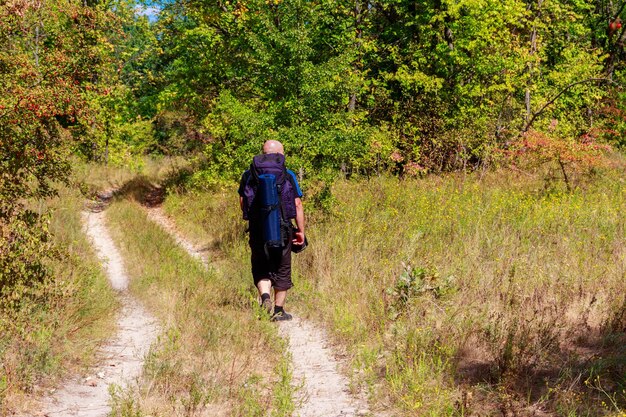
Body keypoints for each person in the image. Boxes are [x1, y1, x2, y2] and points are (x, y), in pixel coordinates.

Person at [238, 140, 305, 321]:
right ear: (280, 155)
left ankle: (265, 296)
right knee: (282, 267)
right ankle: (278, 311)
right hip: (283, 229)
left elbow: (243, 201)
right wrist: (301, 231)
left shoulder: (248, 174)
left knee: (261, 266)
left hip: (258, 229)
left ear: (263, 153)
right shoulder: (287, 174)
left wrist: (253, 219)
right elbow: (297, 204)